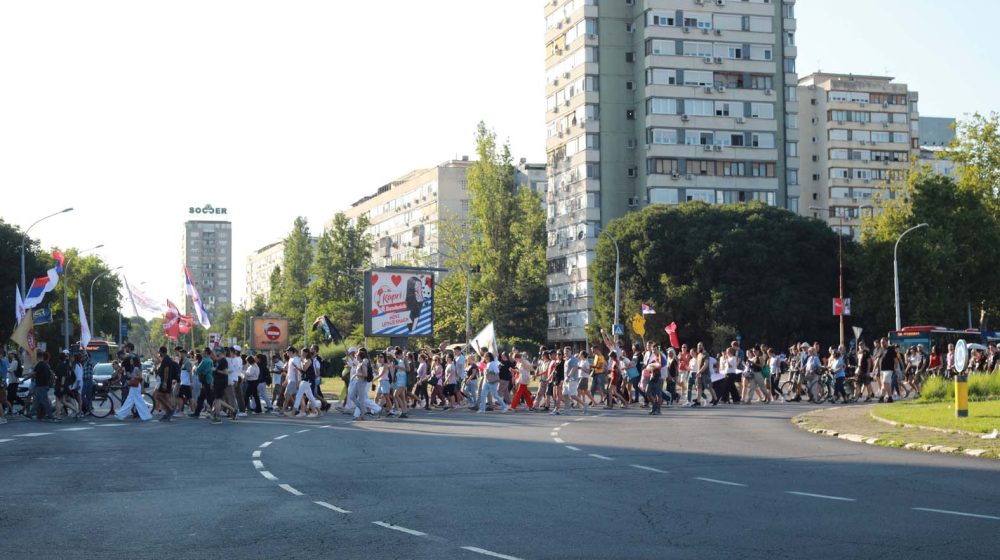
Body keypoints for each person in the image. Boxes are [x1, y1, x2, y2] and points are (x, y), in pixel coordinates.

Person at [115, 356, 152, 422]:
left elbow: (141, 377)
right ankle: (146, 415)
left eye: (132, 360)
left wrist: (131, 376)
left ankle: (121, 414)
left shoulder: (136, 368)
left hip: (136, 386)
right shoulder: (135, 368)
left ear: (134, 361)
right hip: (134, 386)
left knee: (131, 401)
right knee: (135, 401)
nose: (130, 361)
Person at [153, 347, 179, 421]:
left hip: (165, 382)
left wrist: (164, 382)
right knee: (163, 397)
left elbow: (166, 371)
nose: (159, 354)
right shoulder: (165, 359)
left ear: (162, 352)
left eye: (159, 352)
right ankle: (168, 413)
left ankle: (170, 409)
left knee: (158, 396)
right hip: (166, 381)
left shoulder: (166, 360)